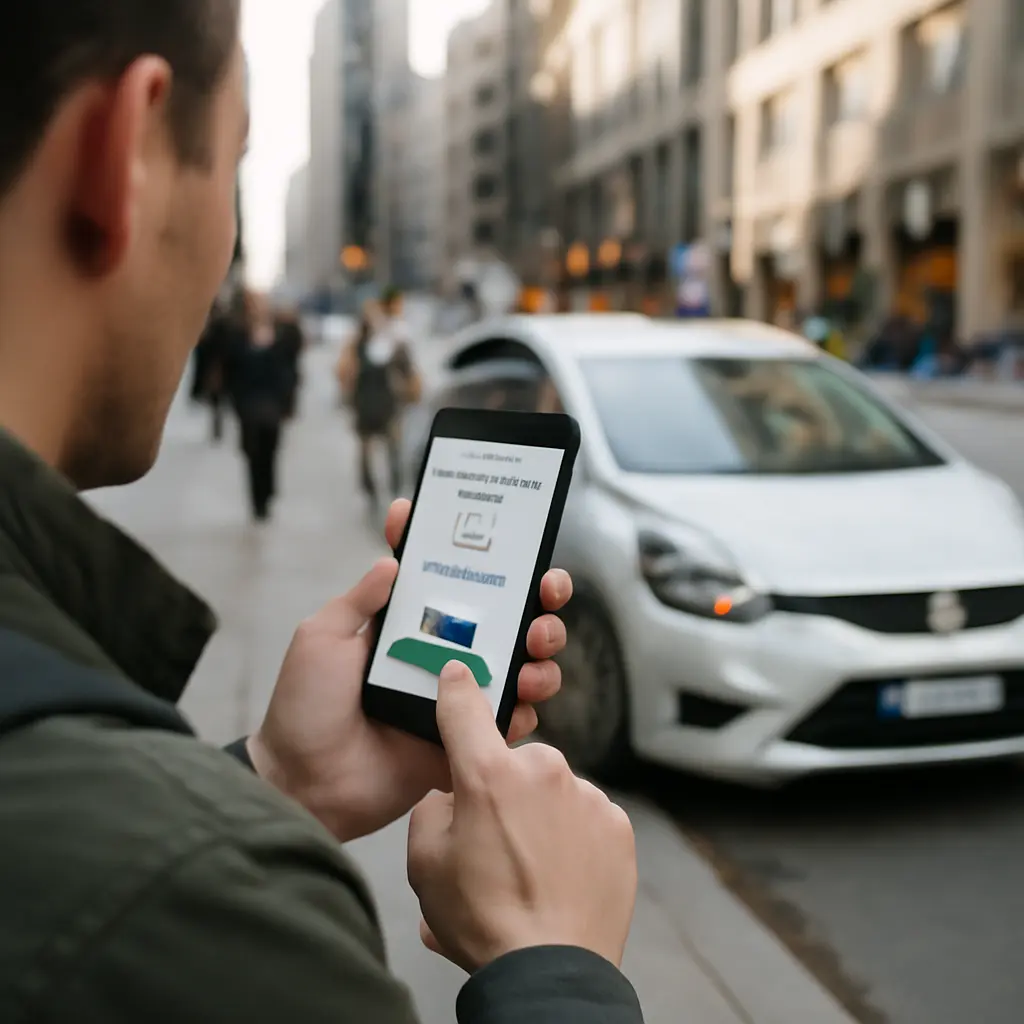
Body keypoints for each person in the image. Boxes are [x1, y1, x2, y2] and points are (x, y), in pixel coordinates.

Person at [0, 4, 644, 1023]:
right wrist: (555, 961)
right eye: (234, 164)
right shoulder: (209, 921)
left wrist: (283, 778)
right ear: (122, 153)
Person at [221, 290, 299, 521]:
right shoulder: (238, 336)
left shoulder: (280, 335)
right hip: (249, 406)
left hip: (272, 405)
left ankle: (268, 493)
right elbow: (231, 370)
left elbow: (288, 370)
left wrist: (287, 402)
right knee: (252, 454)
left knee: (270, 452)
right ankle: (257, 501)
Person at [337, 289, 421, 505]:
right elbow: (344, 373)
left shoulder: (394, 341)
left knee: (393, 448)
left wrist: (411, 388)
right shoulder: (356, 345)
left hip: (388, 404)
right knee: (365, 452)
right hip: (364, 403)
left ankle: (396, 490)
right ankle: (370, 491)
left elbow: (408, 369)